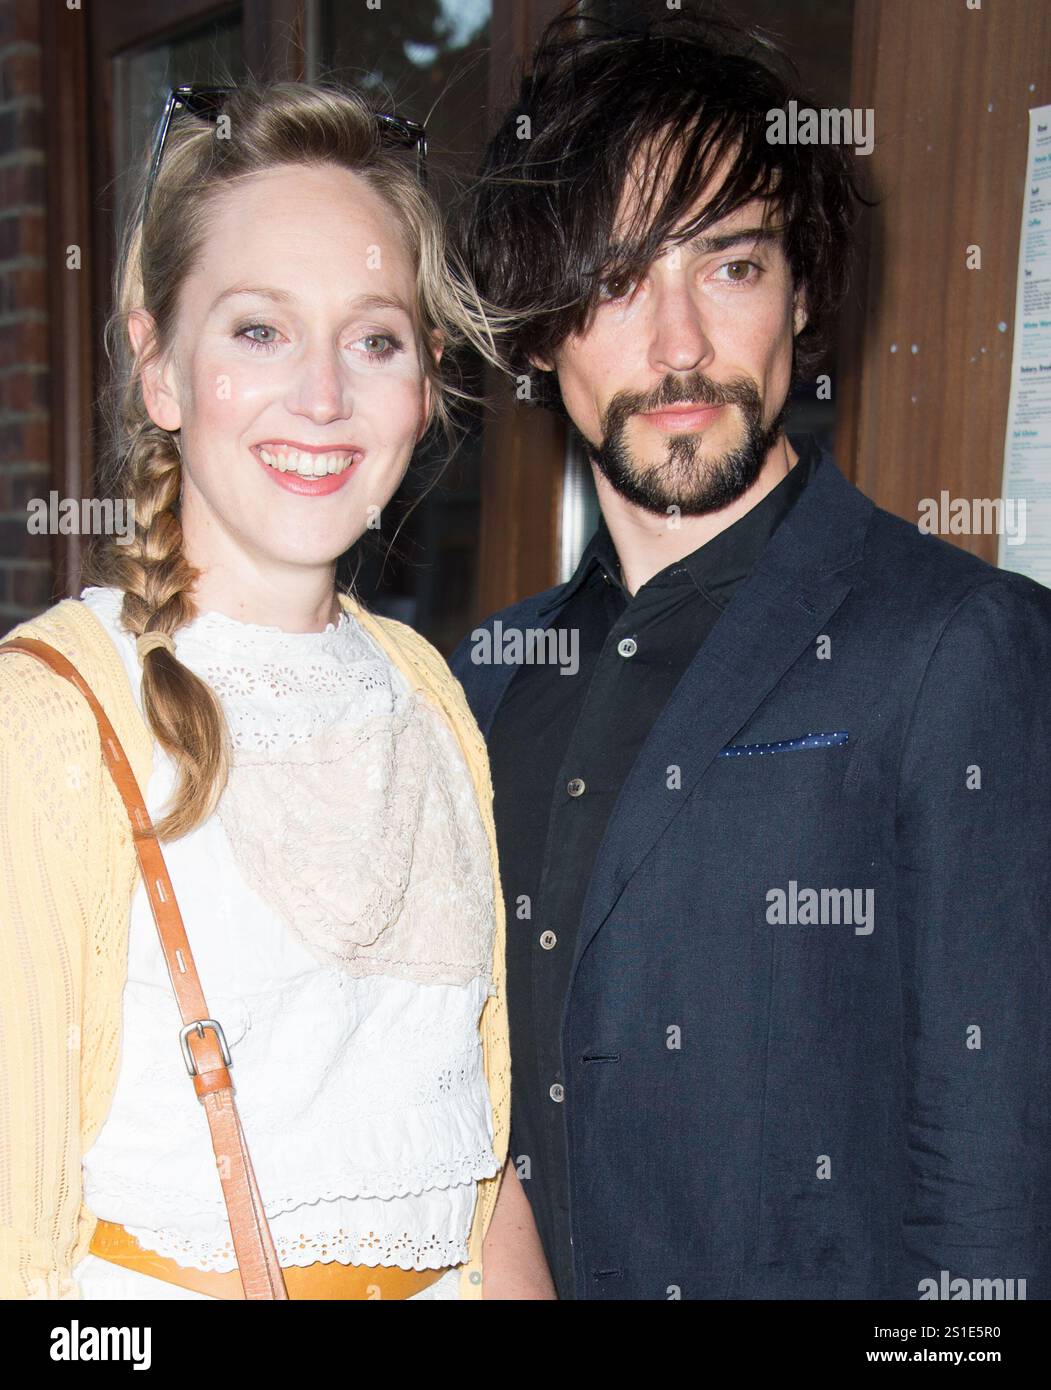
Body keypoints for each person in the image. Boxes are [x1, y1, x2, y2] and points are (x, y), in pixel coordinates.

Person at [451, 10, 1051, 1300]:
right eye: (615, 279)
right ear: (543, 326)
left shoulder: (958, 644)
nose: (676, 344)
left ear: (799, 293)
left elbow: (995, 1193)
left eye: (727, 265)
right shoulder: (482, 681)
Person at [0, 80, 553, 1301]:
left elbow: (475, 1169)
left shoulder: (430, 699)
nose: (322, 395)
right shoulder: (44, 721)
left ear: (423, 388)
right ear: (160, 371)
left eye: (374, 338)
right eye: (258, 329)